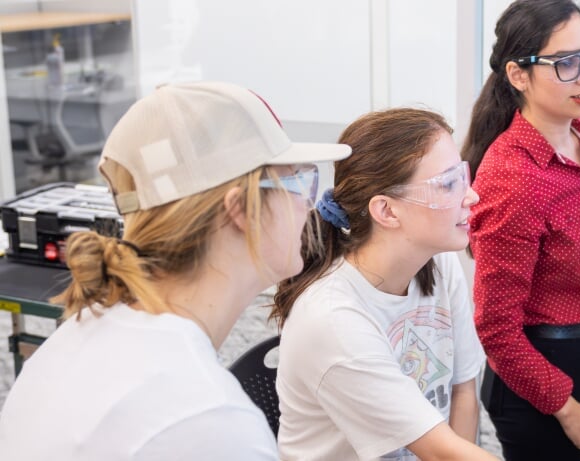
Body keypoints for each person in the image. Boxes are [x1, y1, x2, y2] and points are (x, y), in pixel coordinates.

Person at [0, 81, 352, 459]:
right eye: (299, 182)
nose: (308, 206)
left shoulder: (79, 336)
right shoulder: (207, 419)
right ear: (242, 210)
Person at [271, 108, 496, 461]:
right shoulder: (332, 318)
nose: (472, 197)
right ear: (387, 211)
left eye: (462, 176)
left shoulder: (437, 261)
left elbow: (463, 389)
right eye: (448, 184)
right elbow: (443, 452)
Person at [462, 1, 580, 460]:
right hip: (540, 379)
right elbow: (495, 327)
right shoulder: (512, 178)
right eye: (566, 63)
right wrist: (566, 407)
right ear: (518, 75)